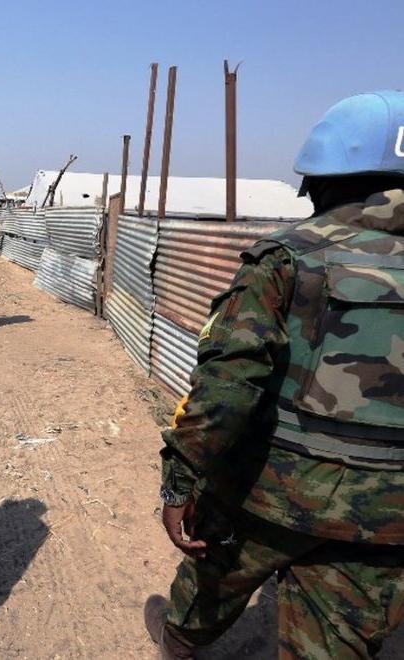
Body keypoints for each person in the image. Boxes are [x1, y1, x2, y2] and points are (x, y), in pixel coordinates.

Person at [145, 90, 404, 659]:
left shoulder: (289, 256)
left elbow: (227, 386)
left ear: (320, 179)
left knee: (211, 582)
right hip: (388, 515)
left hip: (272, 489)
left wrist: (179, 481)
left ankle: (179, 641)